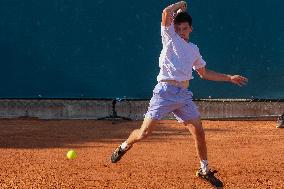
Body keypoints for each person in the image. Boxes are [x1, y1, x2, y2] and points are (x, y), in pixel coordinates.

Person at [110, 1, 248, 178]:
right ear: (174, 29)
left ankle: (204, 169)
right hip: (164, 93)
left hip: (183, 95)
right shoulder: (169, 37)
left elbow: (204, 74)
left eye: (185, 29)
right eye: (179, 28)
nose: (181, 32)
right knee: (144, 133)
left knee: (198, 130)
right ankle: (124, 145)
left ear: (191, 29)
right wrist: (181, 4)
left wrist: (229, 78)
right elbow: (166, 12)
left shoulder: (194, 49)